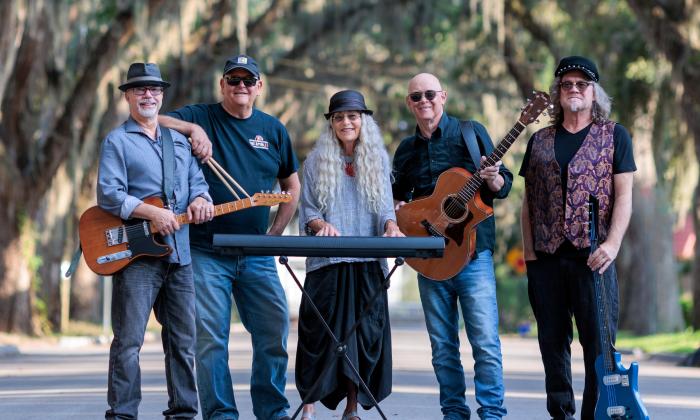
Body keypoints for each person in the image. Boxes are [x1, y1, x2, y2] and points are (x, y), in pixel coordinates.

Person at [159, 54, 300, 420]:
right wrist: (191, 130)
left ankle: (273, 412)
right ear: (222, 84)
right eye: (233, 80)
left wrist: (274, 234)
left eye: (247, 80)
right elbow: (149, 119)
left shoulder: (273, 130)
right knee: (210, 341)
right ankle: (221, 415)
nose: (240, 86)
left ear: (259, 86)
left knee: (273, 333)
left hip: (257, 254)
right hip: (207, 251)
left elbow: (291, 186)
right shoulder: (200, 116)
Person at [519, 56, 636, 420]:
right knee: (552, 343)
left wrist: (612, 245)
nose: (573, 90)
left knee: (598, 346)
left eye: (581, 84)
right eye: (566, 84)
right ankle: (561, 413)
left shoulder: (615, 135)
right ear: (557, 93)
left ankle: (594, 414)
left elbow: (625, 197)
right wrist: (529, 255)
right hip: (547, 259)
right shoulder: (539, 140)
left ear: (594, 93)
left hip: (594, 259)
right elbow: (528, 203)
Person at [98, 62, 214, 419]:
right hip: (137, 256)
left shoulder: (178, 141)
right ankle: (122, 413)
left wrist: (200, 200)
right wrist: (152, 214)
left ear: (162, 96)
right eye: (140, 89)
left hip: (180, 256)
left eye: (155, 89)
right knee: (129, 342)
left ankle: (183, 412)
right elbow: (109, 194)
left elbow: (199, 183)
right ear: (129, 96)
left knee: (183, 341)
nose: (148, 95)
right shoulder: (117, 141)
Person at [392, 73, 511, 420]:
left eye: (430, 94)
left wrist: (494, 178)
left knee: (486, 344)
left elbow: (502, 188)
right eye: (416, 96)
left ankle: (492, 414)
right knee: (443, 348)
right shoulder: (406, 150)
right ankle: (454, 414)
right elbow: (398, 200)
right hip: (429, 258)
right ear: (409, 103)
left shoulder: (471, 134)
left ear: (443, 96)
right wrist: (404, 218)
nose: (423, 101)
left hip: (474, 255)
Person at [296, 90, 404, 420]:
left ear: (363, 121)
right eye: (339, 117)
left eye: (353, 116)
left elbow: (386, 207)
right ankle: (310, 402)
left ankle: (353, 408)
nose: (346, 122)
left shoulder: (378, 159)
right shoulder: (315, 162)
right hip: (329, 262)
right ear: (331, 123)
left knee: (360, 335)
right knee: (322, 333)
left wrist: (390, 225)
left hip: (367, 260)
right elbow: (309, 211)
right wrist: (321, 225)